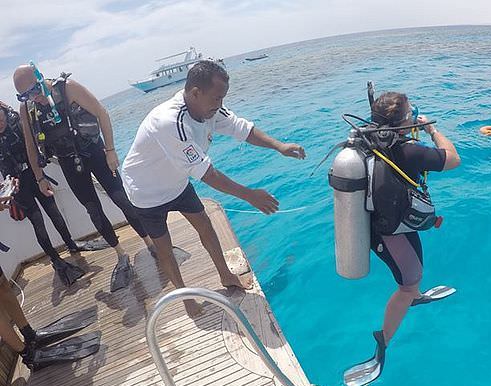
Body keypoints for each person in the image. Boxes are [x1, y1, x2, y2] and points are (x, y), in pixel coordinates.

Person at [121, 60, 306, 317]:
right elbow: (206, 174)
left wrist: (279, 146)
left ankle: (226, 275)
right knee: (164, 248)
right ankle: (185, 297)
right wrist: (250, 195)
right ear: (195, 93)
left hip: (177, 181)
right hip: (146, 190)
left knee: (205, 225)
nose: (220, 104)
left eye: (223, 98)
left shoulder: (207, 109)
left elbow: (241, 128)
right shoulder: (170, 122)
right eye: (217, 98)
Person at [343, 91, 460, 386]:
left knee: (415, 270)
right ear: (402, 121)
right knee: (407, 284)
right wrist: (433, 130)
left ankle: (416, 295)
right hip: (388, 231)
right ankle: (382, 344)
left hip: (393, 222)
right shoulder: (410, 151)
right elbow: (453, 159)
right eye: (410, 114)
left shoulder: (372, 142)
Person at [12, 64, 154, 292]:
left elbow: (101, 113)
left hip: (95, 153)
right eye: (25, 95)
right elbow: (30, 146)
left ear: (40, 77)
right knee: (93, 211)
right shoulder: (27, 109)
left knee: (122, 199)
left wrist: (110, 150)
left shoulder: (67, 88)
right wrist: (40, 178)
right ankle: (121, 254)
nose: (33, 97)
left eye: (35, 90)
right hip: (69, 163)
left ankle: (150, 242)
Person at [0, 101, 85, 286]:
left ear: (5, 113)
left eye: (0, 117)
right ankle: (56, 261)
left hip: (35, 175)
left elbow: (36, 140)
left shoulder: (17, 122)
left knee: (54, 212)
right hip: (17, 185)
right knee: (37, 222)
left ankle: (71, 244)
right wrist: (6, 186)